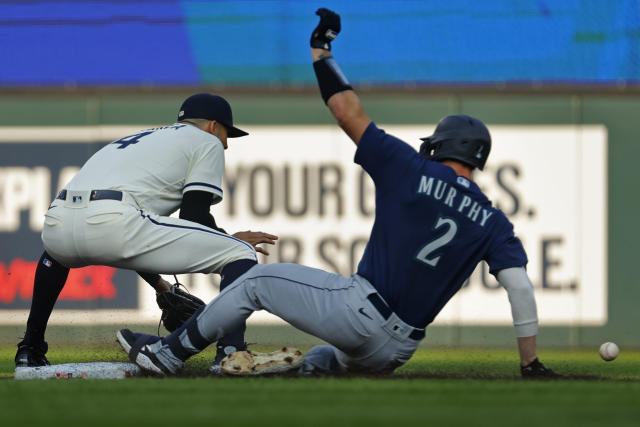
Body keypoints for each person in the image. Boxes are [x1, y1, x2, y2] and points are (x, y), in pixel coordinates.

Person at [117, 9, 559, 378]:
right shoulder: (493, 220)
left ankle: (168, 354)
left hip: (359, 314)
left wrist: (321, 51)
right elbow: (519, 286)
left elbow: (346, 110)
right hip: (397, 350)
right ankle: (302, 368)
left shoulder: (410, 168)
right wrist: (531, 363)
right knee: (327, 359)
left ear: (439, 147)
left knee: (254, 281)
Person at [15, 93, 277, 372]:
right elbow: (194, 216)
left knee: (57, 255)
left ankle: (30, 348)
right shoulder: (207, 141)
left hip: (57, 223)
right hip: (115, 219)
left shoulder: (140, 140)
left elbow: (132, 228)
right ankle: (231, 353)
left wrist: (159, 285)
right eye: (226, 134)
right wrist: (230, 238)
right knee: (240, 252)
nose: (225, 144)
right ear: (213, 126)